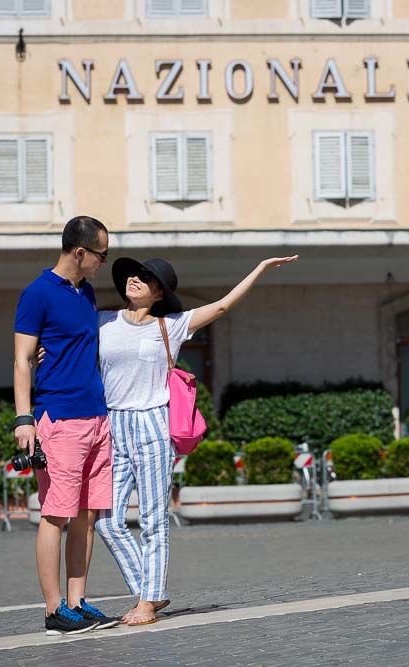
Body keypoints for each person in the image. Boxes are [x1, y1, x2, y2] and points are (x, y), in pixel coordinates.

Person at [93, 254, 298, 626]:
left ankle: (146, 602)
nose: (135, 280)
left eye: (146, 278)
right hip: (114, 425)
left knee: (154, 519)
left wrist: (260, 268)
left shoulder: (170, 325)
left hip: (154, 424)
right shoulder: (103, 321)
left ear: (158, 293)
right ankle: (150, 590)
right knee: (106, 521)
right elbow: (72, 348)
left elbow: (223, 305)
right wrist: (42, 352)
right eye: (133, 275)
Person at [13, 215, 121, 636]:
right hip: (59, 418)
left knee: (87, 515)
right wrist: (24, 419)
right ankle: (53, 609)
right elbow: (22, 358)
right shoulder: (37, 294)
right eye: (102, 254)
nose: (103, 262)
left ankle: (77, 601)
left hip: (96, 418)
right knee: (56, 514)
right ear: (80, 252)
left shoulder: (87, 292)